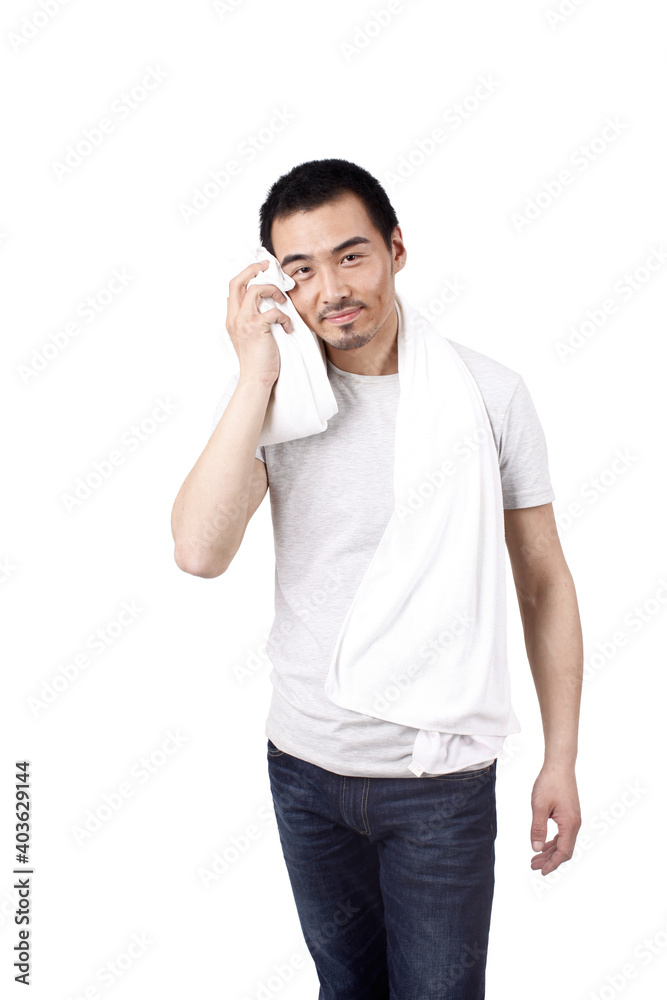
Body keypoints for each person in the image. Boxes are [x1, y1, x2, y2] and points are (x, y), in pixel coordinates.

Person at [171, 158, 583, 999]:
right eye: (300, 270)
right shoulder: (277, 401)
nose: (330, 288)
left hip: (439, 783)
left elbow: (542, 583)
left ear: (396, 249)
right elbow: (198, 552)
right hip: (304, 768)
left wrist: (561, 759)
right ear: (279, 285)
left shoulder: (488, 395)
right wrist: (254, 372)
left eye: (350, 255)